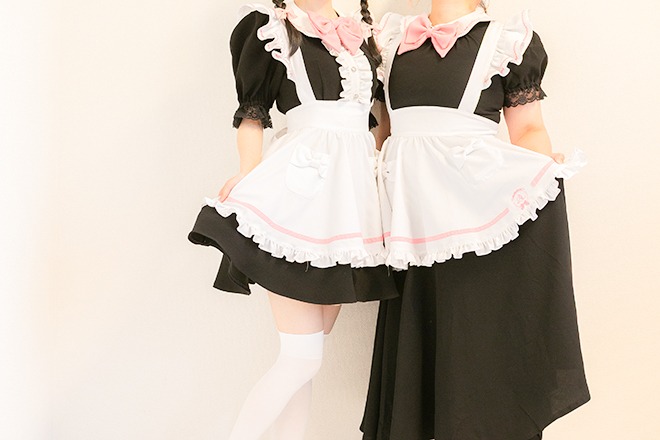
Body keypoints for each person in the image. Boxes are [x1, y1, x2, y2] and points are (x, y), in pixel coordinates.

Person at [360, 1, 590, 439]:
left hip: (480, 225)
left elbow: (528, 129)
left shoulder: (507, 41)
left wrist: (540, 176)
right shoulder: (388, 42)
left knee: (477, 352)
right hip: (412, 229)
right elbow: (382, 134)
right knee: (421, 353)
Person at [187, 1, 395, 439]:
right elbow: (252, 112)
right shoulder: (269, 26)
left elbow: (378, 123)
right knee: (302, 357)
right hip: (300, 194)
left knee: (307, 355)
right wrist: (247, 173)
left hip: (350, 204)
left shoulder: (363, 31)